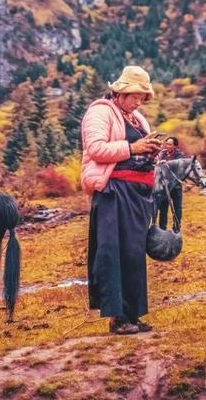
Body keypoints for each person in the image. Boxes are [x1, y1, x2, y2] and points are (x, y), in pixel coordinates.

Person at [81, 65, 163, 335]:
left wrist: (152, 151)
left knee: (133, 253)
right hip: (113, 192)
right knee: (113, 253)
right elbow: (95, 149)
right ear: (120, 91)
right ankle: (117, 318)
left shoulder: (138, 119)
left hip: (138, 194)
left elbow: (138, 153)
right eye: (135, 95)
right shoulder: (100, 112)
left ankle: (133, 314)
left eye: (143, 96)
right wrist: (133, 147)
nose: (139, 101)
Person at [156, 136, 186, 233]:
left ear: (175, 146)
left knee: (177, 207)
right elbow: (157, 163)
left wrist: (167, 163)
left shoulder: (180, 155)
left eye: (169, 144)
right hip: (165, 185)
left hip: (175, 185)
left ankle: (176, 228)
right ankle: (162, 229)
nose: (167, 146)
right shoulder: (162, 153)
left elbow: (180, 165)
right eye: (166, 144)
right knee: (163, 207)